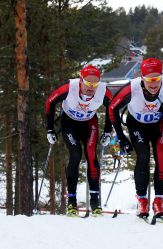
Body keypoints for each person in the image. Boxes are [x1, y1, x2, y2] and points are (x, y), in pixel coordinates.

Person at [109, 58, 163, 218]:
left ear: (162, 77)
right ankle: (142, 200)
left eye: (157, 79)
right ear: (142, 78)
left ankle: (159, 201)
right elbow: (112, 108)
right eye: (149, 80)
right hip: (137, 126)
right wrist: (121, 137)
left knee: (161, 156)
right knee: (143, 157)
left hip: (160, 124)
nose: (154, 84)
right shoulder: (131, 89)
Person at [45, 65, 113, 216]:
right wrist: (50, 128)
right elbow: (50, 101)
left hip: (89, 123)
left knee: (91, 156)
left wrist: (108, 130)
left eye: (95, 83)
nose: (91, 87)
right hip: (69, 123)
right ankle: (72, 203)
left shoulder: (103, 91)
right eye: (88, 83)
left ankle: (95, 203)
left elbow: (112, 107)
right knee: (75, 155)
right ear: (81, 80)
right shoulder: (70, 88)